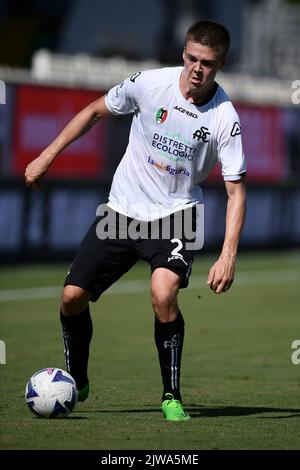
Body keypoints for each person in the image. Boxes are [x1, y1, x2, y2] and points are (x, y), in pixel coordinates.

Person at [25, 20, 246, 421]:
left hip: (176, 216)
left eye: (208, 63)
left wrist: (228, 254)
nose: (197, 69)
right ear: (183, 54)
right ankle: (77, 375)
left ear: (221, 64)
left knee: (163, 294)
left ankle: (171, 396)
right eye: (192, 58)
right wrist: (46, 156)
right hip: (123, 210)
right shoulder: (149, 84)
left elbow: (236, 191)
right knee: (71, 298)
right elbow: (94, 111)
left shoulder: (224, 118)